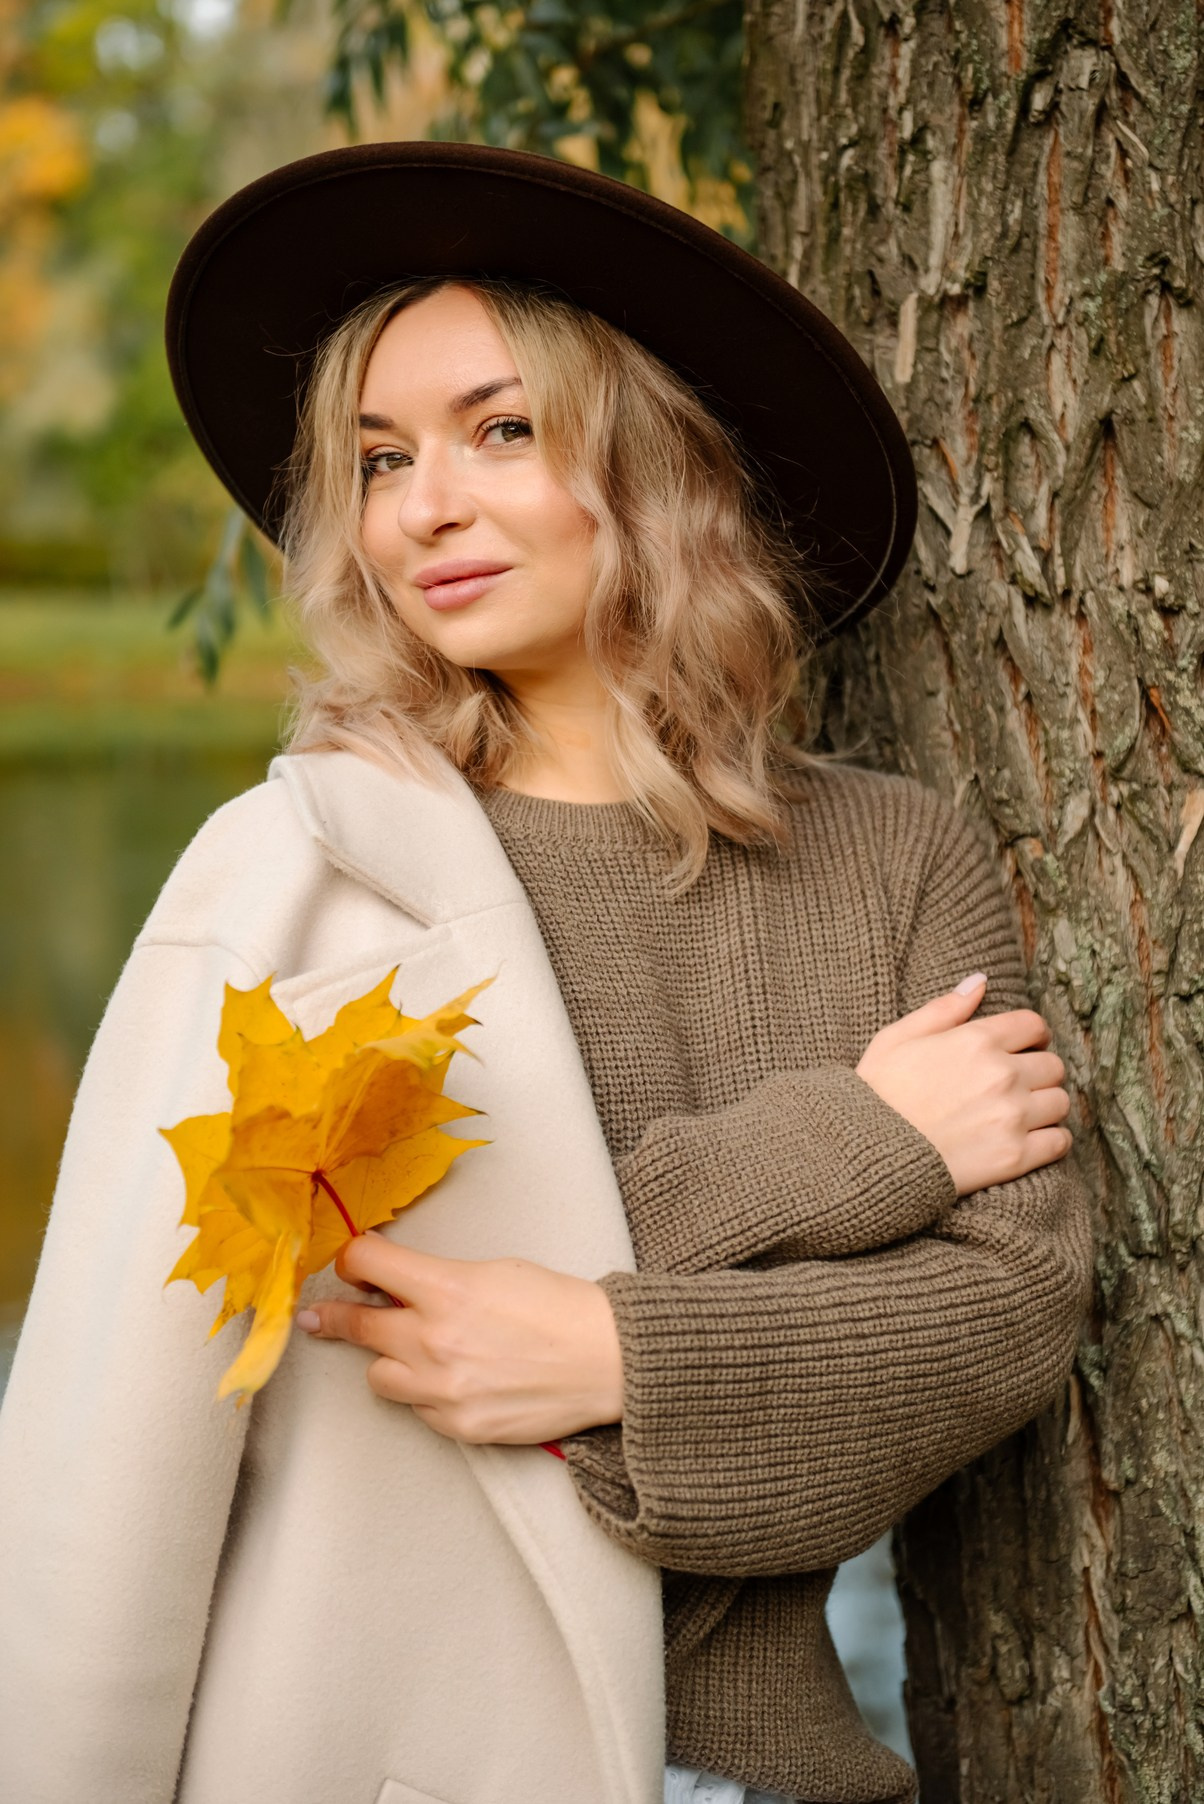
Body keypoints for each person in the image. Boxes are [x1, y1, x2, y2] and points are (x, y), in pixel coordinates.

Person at [0, 142, 1093, 1804]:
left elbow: (1010, 1314)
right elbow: (168, 1415)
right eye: (379, 458)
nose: (422, 507)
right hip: (388, 1763)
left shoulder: (898, 857)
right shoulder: (300, 876)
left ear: (659, 462)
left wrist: (607, 1359)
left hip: (780, 1776)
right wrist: (856, 1144)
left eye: (500, 430)